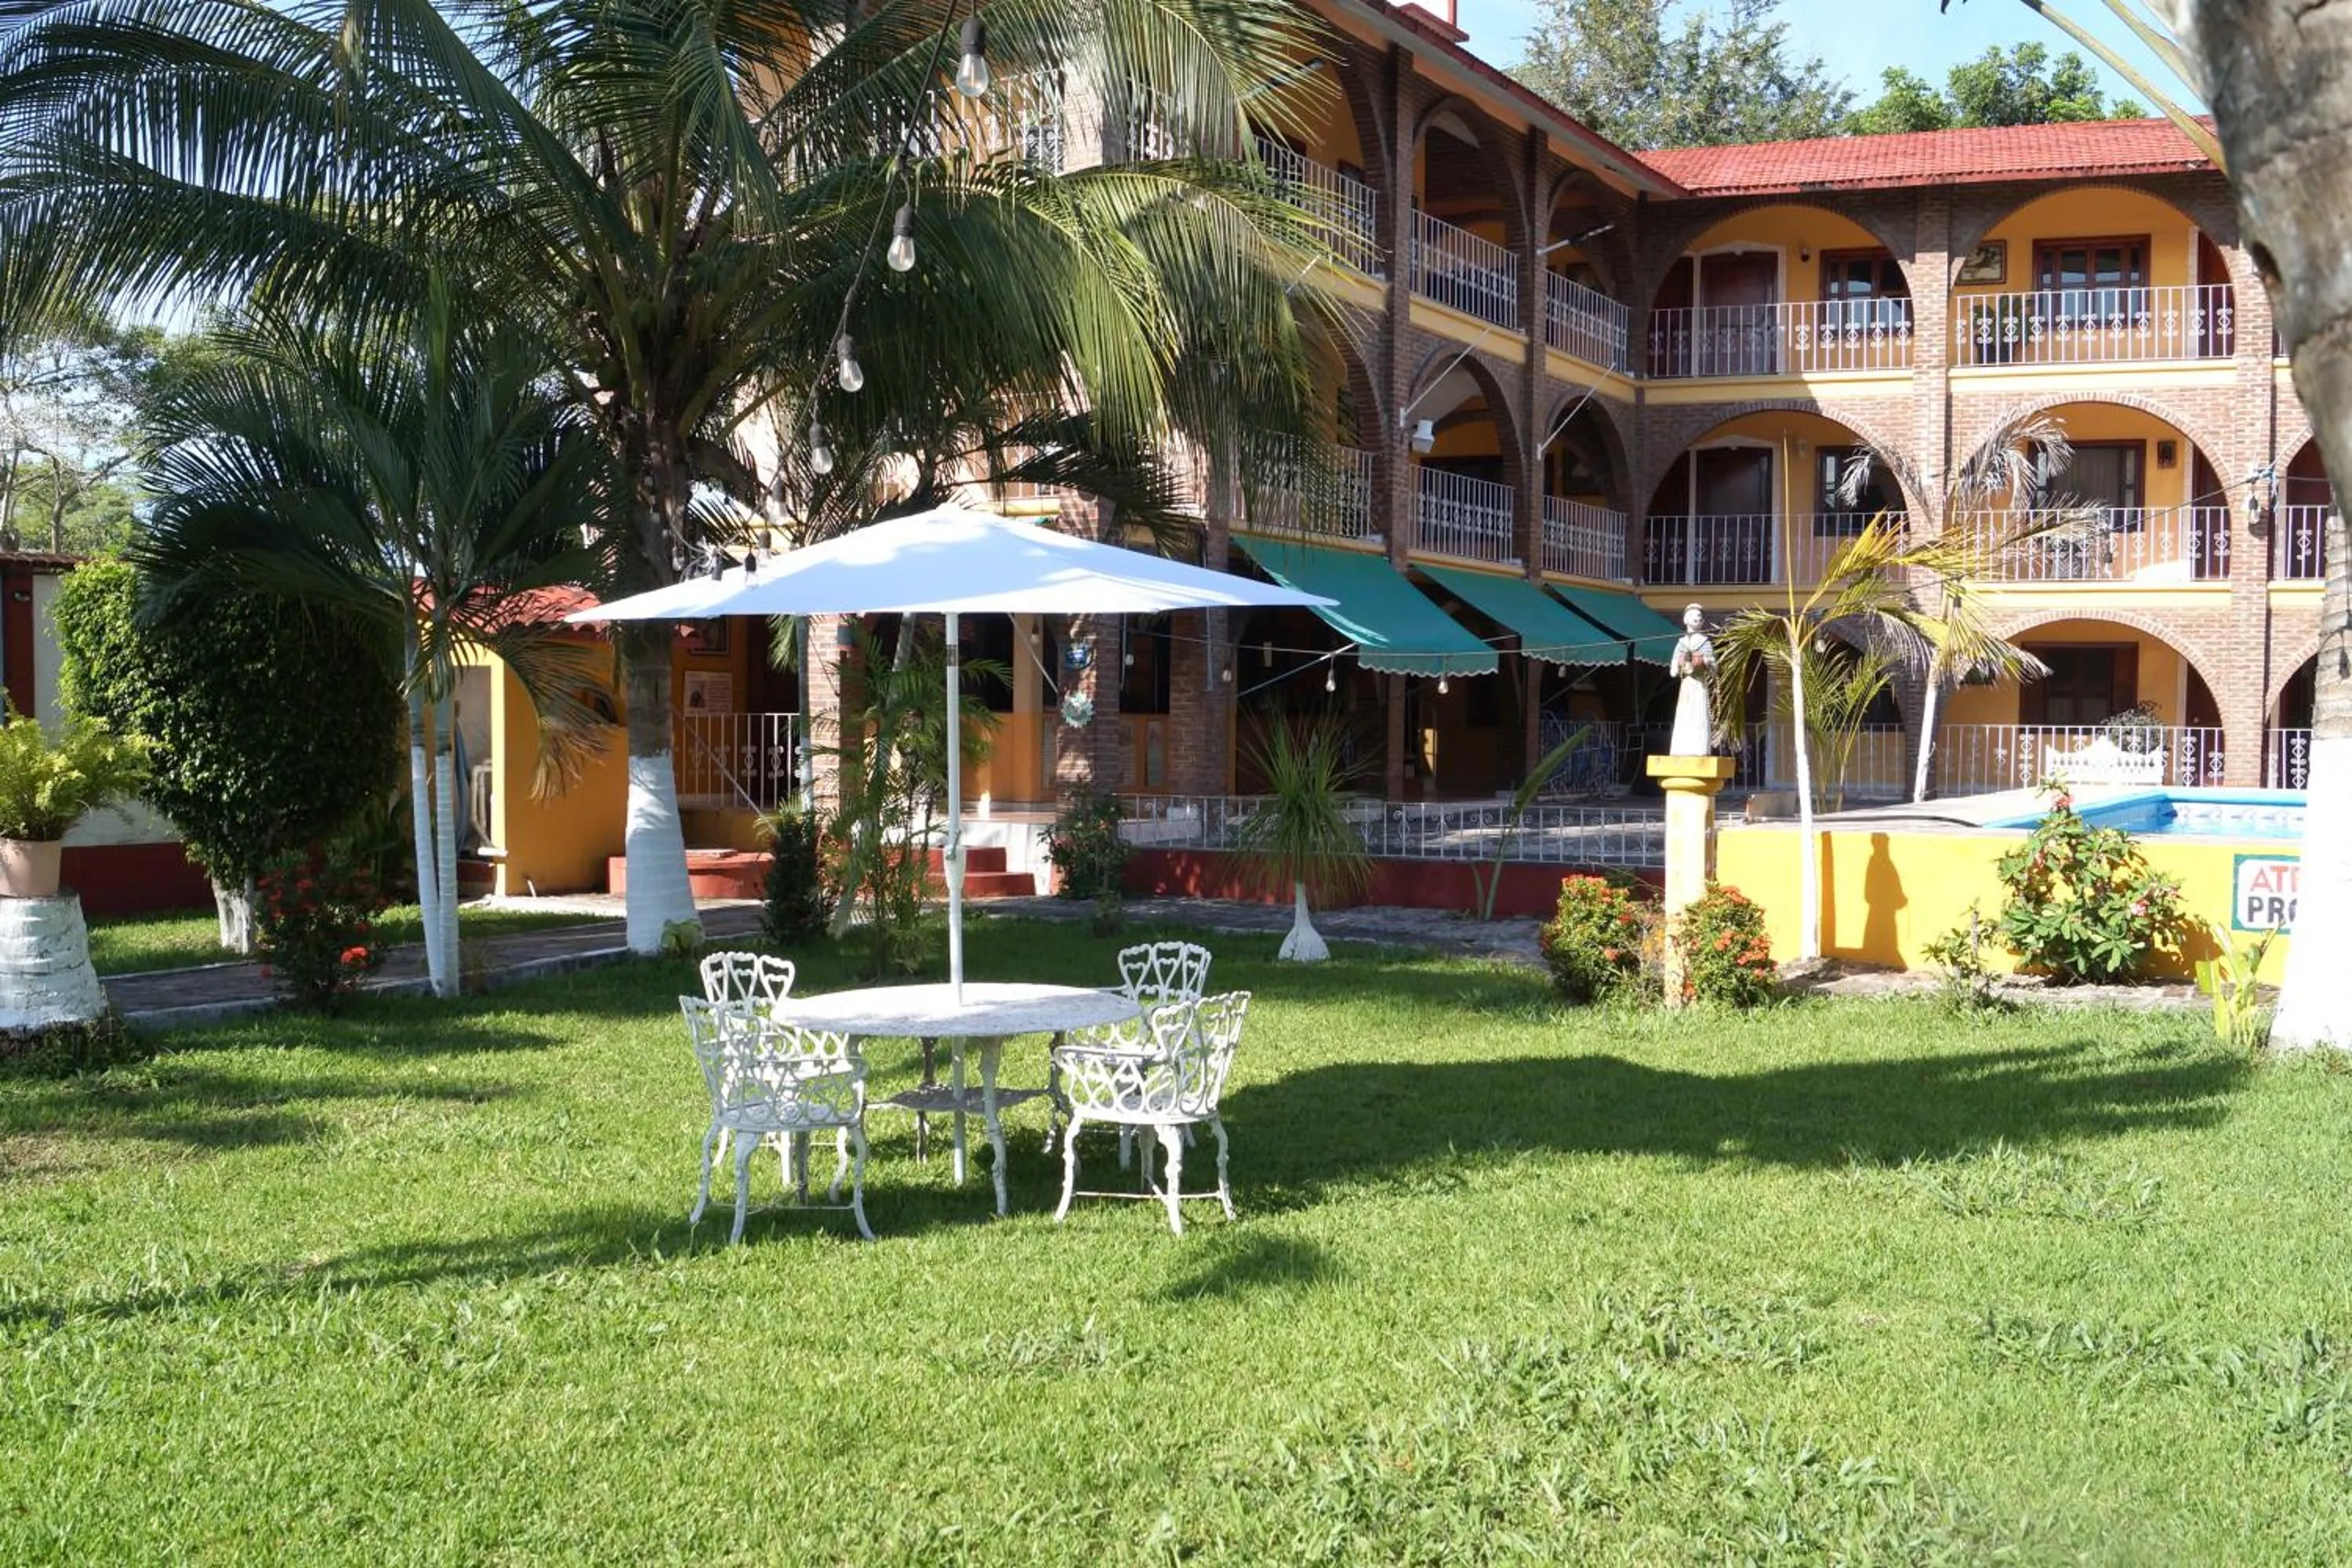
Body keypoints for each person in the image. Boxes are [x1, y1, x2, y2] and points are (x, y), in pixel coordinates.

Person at [1668, 604, 1715, 754]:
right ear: (1685, 619)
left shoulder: (1705, 642)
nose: (1696, 618)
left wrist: (1705, 662)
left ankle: (1699, 748)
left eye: (1699, 616)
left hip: (1699, 685)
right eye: (1693, 615)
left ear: (1702, 622)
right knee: (1684, 714)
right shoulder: (1681, 642)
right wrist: (1676, 666)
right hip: (1686, 685)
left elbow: (1714, 665)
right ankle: (1682, 748)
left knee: (1698, 715)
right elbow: (1674, 664)